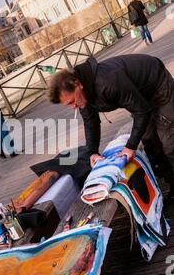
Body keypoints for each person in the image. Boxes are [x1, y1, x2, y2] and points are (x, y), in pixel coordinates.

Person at [48, 54, 174, 205]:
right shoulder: (82, 96)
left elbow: (141, 111)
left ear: (78, 84)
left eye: (72, 101)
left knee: (169, 142)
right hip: (138, 96)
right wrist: (92, 151)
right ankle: (169, 179)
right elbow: (90, 122)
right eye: (68, 105)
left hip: (157, 84)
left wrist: (131, 146)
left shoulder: (107, 82)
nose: (73, 106)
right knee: (149, 139)